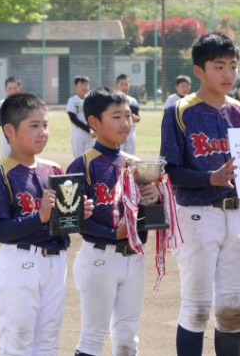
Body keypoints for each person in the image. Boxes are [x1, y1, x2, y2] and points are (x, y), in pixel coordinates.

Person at [160, 32, 240, 356]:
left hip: (239, 216)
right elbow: (172, 170)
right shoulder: (180, 111)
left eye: (233, 66)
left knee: (233, 308)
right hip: (197, 215)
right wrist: (211, 177)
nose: (228, 75)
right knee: (197, 307)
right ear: (199, 71)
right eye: (219, 66)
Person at [0, 92, 93, 356]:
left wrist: (78, 217)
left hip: (55, 264)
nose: (43, 132)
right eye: (34, 125)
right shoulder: (0, 174)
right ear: (9, 130)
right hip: (20, 263)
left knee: (47, 344)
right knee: (17, 344)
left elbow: (61, 225)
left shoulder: (54, 170)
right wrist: (39, 217)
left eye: (45, 125)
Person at [67, 87, 160, 356]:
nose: (125, 123)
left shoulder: (136, 165)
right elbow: (72, 221)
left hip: (134, 258)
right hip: (100, 259)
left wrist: (155, 200)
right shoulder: (82, 165)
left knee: (127, 339)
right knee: (93, 336)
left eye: (129, 116)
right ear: (94, 123)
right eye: (117, 117)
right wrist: (113, 233)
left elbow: (152, 221)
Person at [0, 76, 22, 159]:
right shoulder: (2, 103)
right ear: (6, 89)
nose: (12, 90)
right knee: (7, 160)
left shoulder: (24, 104)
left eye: (14, 88)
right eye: (10, 88)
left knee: (22, 161)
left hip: (22, 135)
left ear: (19, 88)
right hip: (6, 136)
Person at [67, 76, 93, 158]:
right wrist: (89, 129)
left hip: (91, 135)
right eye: (82, 85)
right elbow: (73, 119)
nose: (85, 87)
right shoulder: (72, 100)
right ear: (75, 86)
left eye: (86, 85)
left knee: (89, 159)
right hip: (77, 134)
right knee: (78, 160)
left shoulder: (91, 100)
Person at [114, 74, 140, 154]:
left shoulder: (133, 101)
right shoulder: (112, 100)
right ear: (116, 86)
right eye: (122, 84)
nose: (124, 87)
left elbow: (138, 117)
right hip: (117, 132)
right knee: (118, 157)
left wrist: (136, 118)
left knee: (130, 158)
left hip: (130, 132)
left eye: (126, 84)